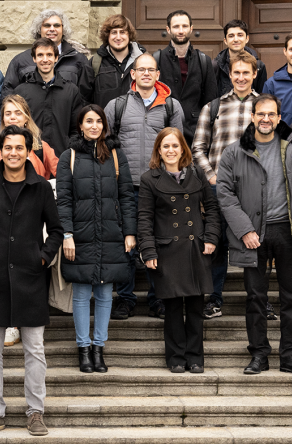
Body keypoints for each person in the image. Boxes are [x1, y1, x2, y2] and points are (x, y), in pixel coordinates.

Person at [215, 94, 292, 377]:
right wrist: (244, 230)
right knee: (255, 297)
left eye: (271, 114)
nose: (265, 119)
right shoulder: (234, 152)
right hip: (252, 234)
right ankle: (259, 355)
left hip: (289, 231)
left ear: (279, 118)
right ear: (252, 117)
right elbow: (225, 194)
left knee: (291, 297)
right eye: (260, 114)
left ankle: (290, 356)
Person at [0, 124, 62, 437]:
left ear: (29, 151)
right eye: (8, 148)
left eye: (19, 147)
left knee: (34, 349)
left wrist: (43, 257)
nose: (13, 153)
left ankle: (35, 412)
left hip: (31, 277)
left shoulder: (42, 187)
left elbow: (57, 230)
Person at [56, 104, 137, 374]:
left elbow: (126, 196)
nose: (94, 126)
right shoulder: (69, 157)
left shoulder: (116, 155)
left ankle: (99, 348)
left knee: (104, 292)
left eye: (98, 121)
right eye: (88, 121)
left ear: (105, 125)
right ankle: (83, 349)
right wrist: (67, 234)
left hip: (111, 232)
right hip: (80, 234)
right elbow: (63, 200)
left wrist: (129, 232)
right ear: (80, 125)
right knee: (80, 292)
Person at [103, 52, 184, 320]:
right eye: (141, 69)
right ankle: (125, 298)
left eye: (151, 69)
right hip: (124, 187)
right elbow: (105, 146)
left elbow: (179, 149)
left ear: (158, 75)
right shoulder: (117, 106)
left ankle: (157, 298)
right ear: (133, 74)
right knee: (126, 244)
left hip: (160, 187)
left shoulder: (172, 107)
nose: (146, 73)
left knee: (159, 243)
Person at [137, 127, 220, 373]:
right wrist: (149, 251)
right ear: (159, 151)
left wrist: (211, 237)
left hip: (196, 247)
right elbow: (144, 219)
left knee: (195, 306)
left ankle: (195, 357)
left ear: (183, 148)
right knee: (172, 308)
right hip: (167, 250)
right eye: (166, 147)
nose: (171, 150)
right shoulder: (148, 179)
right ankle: (175, 358)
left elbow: (213, 208)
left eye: (175, 146)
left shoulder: (197, 174)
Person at [192, 51, 260, 319]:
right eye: (237, 72)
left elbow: (282, 145)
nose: (241, 77)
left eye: (246, 72)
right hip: (218, 187)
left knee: (255, 244)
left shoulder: (265, 106)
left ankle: (259, 300)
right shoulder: (214, 107)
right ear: (229, 75)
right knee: (216, 245)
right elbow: (198, 148)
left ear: (255, 75)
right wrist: (211, 176)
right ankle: (215, 298)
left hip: (255, 189)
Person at [13, 38, 86, 156]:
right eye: (40, 55)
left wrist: (69, 152)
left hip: (61, 157)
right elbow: (16, 128)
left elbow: (76, 130)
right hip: (31, 158)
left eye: (49, 55)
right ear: (34, 58)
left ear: (56, 58)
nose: (45, 60)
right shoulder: (21, 91)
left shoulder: (71, 91)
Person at [3, 9, 93, 101]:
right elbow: (9, 95)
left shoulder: (79, 59)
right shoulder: (21, 60)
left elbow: (85, 97)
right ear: (39, 30)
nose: (52, 29)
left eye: (57, 25)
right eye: (47, 25)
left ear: (63, 29)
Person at [155, 10, 218, 143]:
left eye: (184, 26)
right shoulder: (157, 59)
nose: (180, 30)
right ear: (168, 29)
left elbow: (211, 102)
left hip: (196, 133)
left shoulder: (204, 61)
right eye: (176, 26)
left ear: (191, 29)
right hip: (165, 132)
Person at [0, 94, 59, 179]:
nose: (12, 117)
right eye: (8, 114)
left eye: (18, 113)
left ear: (26, 118)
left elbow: (62, 175)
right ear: (3, 119)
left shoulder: (42, 147)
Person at [91, 14, 145, 107]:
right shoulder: (95, 63)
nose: (118, 37)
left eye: (122, 32)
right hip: (105, 120)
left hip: (135, 121)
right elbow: (84, 99)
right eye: (114, 32)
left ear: (129, 35)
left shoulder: (144, 61)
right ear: (107, 36)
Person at [214, 20, 268, 98]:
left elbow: (261, 96)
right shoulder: (215, 65)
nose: (236, 39)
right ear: (225, 40)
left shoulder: (259, 65)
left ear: (247, 38)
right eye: (231, 36)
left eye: (240, 35)